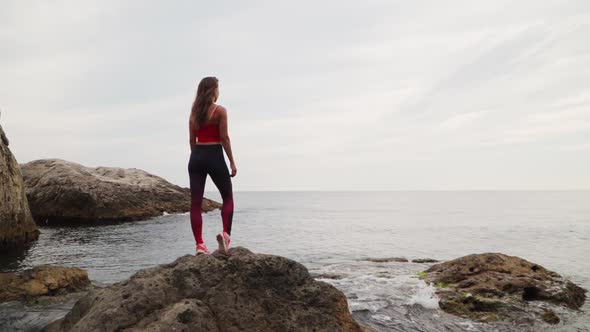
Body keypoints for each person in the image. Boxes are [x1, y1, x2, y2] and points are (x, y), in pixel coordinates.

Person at [188, 76, 236, 255]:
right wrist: (231, 161)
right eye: (217, 88)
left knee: (195, 204)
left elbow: (192, 140)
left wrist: (197, 158)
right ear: (213, 91)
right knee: (227, 198)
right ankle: (225, 234)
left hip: (196, 157)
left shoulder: (194, 113)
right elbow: (224, 138)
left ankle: (200, 245)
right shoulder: (220, 111)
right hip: (214, 155)